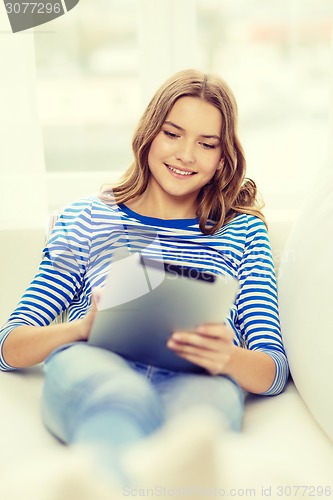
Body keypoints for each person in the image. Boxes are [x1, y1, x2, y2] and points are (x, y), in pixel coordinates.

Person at [0, 69, 288, 485]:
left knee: (196, 427)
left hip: (200, 377)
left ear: (223, 158)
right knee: (119, 399)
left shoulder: (243, 230)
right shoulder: (86, 217)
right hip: (97, 361)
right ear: (149, 134)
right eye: (173, 134)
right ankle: (103, 484)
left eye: (206, 144)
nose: (186, 155)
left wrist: (228, 358)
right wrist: (82, 329)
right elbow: (9, 345)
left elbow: (274, 371)